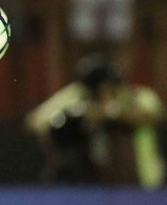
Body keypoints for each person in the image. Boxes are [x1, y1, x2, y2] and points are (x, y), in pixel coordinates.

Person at [25, 54, 164, 189]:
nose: (104, 93)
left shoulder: (138, 95)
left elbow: (154, 115)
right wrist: (73, 117)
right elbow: (35, 121)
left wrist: (109, 113)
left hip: (141, 180)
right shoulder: (78, 95)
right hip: (90, 183)